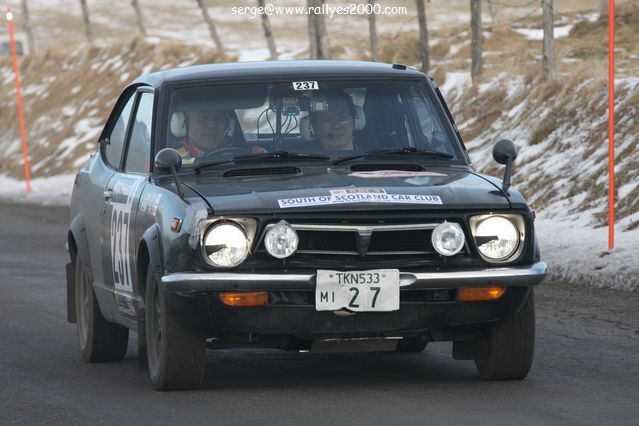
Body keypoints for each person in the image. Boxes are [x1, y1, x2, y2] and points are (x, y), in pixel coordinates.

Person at [174, 109, 265, 164]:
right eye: (203, 117)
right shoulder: (174, 160)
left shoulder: (252, 155)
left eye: (218, 118)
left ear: (228, 125)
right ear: (184, 121)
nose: (212, 124)